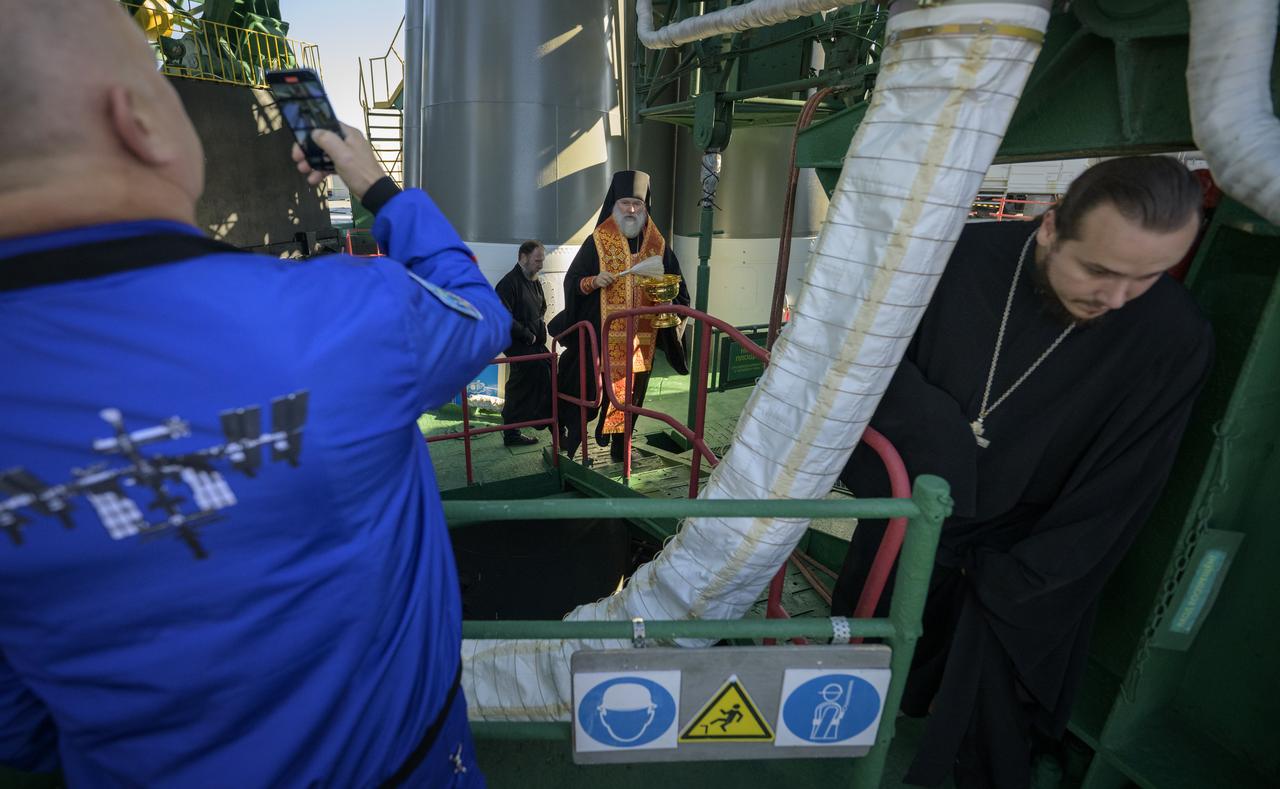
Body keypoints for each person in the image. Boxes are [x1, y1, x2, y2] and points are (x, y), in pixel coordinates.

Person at [0, 2, 507, 786]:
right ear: (138, 120)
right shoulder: (347, 315)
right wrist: (373, 182)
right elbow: (479, 314)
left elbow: (18, 723)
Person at [831, 156, 1214, 788]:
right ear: (1050, 226)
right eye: (1098, 270)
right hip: (912, 518)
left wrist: (1030, 578)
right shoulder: (950, 259)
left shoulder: (1175, 334)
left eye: (1147, 278)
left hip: (1023, 550)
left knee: (987, 730)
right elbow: (866, 365)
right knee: (863, 682)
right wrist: (940, 451)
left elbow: (1124, 487)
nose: (1115, 300)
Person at [551, 170, 689, 461]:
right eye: (625, 203)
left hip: (641, 341)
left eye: (637, 204)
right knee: (588, 396)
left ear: (645, 207)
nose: (631, 210)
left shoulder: (658, 245)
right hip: (599, 340)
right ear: (615, 204)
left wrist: (667, 303)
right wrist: (593, 282)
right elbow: (573, 281)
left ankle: (620, 451)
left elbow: (678, 287)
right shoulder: (598, 241)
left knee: (632, 399)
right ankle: (571, 451)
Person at [494, 240, 552, 447]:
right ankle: (513, 432)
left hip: (533, 342)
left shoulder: (533, 280)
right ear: (523, 258)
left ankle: (544, 420)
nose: (541, 265)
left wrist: (538, 332)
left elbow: (541, 307)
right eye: (537, 260)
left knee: (548, 371)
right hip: (519, 343)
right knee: (520, 385)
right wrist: (528, 335)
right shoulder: (508, 283)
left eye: (542, 260)